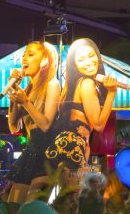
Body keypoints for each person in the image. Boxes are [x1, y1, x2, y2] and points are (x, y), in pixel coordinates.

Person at [46, 38, 119, 179]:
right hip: (72, 146)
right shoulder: (87, 83)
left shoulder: (71, 86)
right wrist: (111, 93)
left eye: (92, 56)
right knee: (74, 195)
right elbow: (98, 125)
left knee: (64, 194)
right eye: (81, 60)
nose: (88, 62)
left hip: (65, 144)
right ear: (74, 65)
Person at [6, 41, 61, 202]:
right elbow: (13, 127)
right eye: (24, 55)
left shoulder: (52, 84)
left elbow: (45, 124)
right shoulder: (27, 89)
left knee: (28, 207)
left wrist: (25, 102)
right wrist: (14, 91)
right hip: (31, 150)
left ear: (44, 60)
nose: (24, 59)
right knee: (11, 203)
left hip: (45, 153)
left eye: (30, 54)